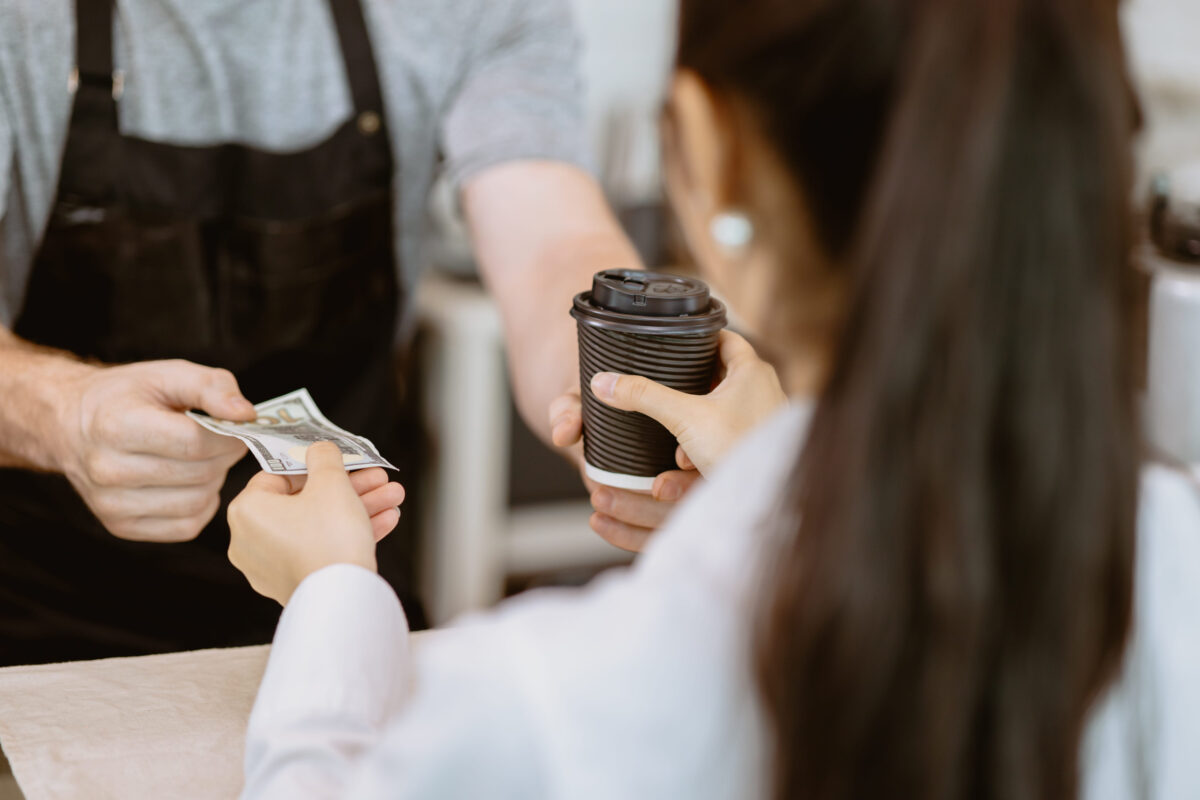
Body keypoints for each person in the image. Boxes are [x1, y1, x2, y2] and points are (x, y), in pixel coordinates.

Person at [227, 0, 1200, 798]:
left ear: (707, 149)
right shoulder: (1176, 561)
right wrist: (775, 487)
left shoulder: (546, 709)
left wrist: (332, 596)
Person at [0, 0, 690, 666]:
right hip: (40, 612)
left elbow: (550, 247)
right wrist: (63, 412)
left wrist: (630, 404)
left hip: (349, 587)